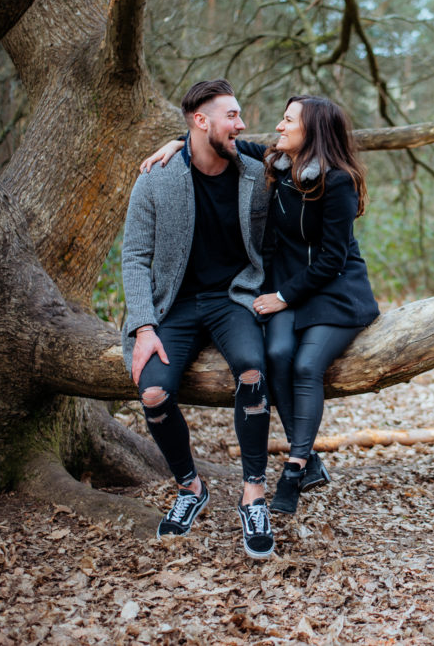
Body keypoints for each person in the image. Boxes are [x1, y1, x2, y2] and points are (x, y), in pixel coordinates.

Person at [142, 95, 379, 517]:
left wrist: (283, 296)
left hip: (332, 289)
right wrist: (178, 142)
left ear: (313, 131)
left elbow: (331, 259)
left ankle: (296, 466)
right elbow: (219, 141)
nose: (278, 125)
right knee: (276, 353)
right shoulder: (277, 164)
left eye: (288, 120)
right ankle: (309, 463)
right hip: (287, 287)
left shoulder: (337, 181)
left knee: (306, 366)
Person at [122, 79, 276, 559]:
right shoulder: (156, 178)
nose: (242, 124)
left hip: (235, 298)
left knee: (252, 370)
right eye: (231, 115)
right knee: (152, 391)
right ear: (199, 120)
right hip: (175, 306)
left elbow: (302, 158)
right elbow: (134, 257)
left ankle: (253, 493)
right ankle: (190, 487)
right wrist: (144, 326)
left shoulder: (256, 172)